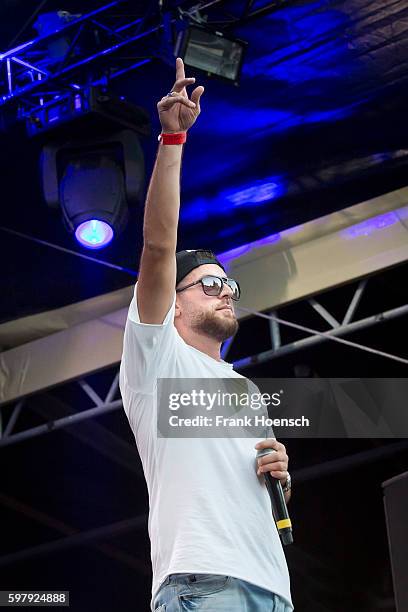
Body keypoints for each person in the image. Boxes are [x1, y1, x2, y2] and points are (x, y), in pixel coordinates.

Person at [119, 57, 293, 612]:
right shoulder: (156, 357)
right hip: (201, 581)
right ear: (171, 304)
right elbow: (157, 246)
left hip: (272, 588)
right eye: (208, 283)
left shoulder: (244, 392)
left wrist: (280, 478)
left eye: (229, 285)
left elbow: (258, 499)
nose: (225, 291)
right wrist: (173, 139)